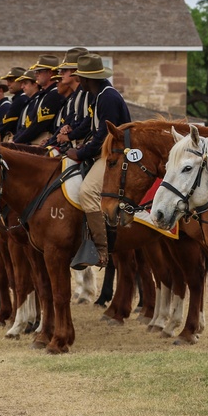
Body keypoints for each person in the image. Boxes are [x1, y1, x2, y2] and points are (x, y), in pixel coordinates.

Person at [67, 53, 131, 270]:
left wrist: (81, 153)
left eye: (81, 78)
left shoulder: (108, 97)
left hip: (115, 155)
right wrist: (70, 136)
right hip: (103, 153)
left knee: (87, 192)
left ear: (87, 79)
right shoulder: (97, 95)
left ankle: (101, 251)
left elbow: (104, 134)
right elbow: (88, 123)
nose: (79, 81)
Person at [12, 54, 64, 145]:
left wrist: (17, 141)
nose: (35, 75)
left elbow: (39, 125)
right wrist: (15, 139)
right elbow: (29, 122)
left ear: (50, 73)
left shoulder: (54, 94)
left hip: (44, 139)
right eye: (35, 72)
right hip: (35, 139)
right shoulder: (44, 95)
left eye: (39, 71)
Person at [50, 47, 90, 149]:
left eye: (64, 70)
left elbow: (88, 123)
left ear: (75, 70)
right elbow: (72, 120)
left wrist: (69, 135)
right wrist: (67, 128)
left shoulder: (89, 92)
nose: (61, 73)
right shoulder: (76, 95)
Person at [0, 66, 29, 141]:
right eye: (7, 81)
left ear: (21, 81)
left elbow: (7, 122)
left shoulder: (21, 99)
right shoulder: (20, 98)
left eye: (11, 81)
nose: (8, 84)